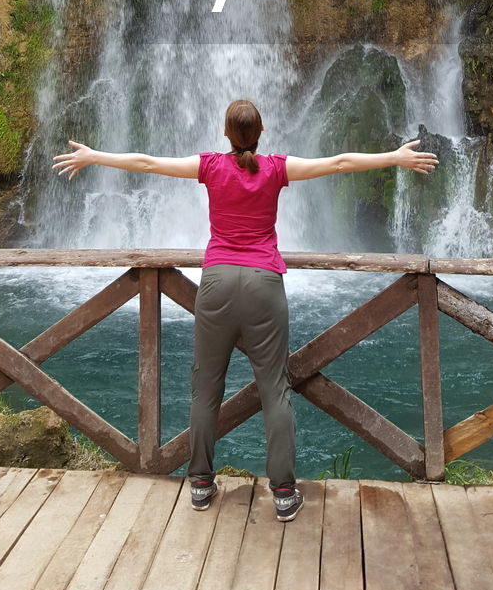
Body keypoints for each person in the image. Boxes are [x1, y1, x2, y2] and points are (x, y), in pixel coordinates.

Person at [52, 97, 438, 522]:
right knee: (273, 386)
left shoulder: (211, 166)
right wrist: (396, 158)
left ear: (225, 134)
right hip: (264, 285)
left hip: (216, 282)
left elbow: (146, 163)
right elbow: (341, 163)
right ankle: (285, 493)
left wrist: (93, 156)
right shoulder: (275, 168)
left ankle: (200, 483)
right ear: (262, 131)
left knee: (206, 387)